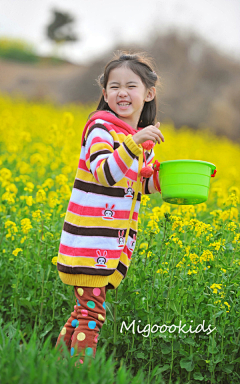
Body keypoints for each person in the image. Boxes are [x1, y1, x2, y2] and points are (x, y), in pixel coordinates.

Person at [55, 51, 165, 365]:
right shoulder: (100, 129)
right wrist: (135, 143)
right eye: (114, 86)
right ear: (105, 94)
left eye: (131, 86)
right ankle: (81, 370)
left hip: (108, 243)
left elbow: (138, 185)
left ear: (149, 93)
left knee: (83, 311)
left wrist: (166, 179)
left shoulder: (137, 140)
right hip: (90, 241)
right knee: (92, 314)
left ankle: (55, 366)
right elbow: (105, 173)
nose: (122, 92)